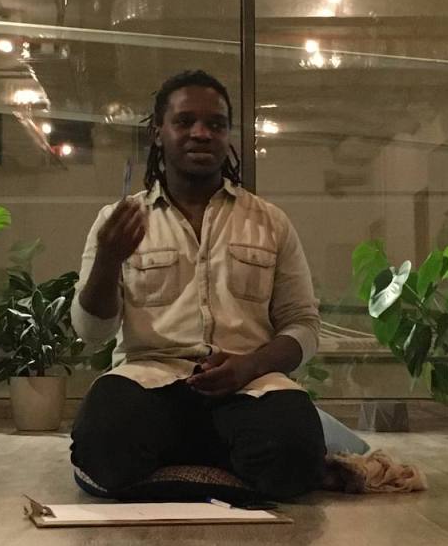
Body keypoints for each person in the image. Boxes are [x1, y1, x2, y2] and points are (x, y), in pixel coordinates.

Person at [70, 69, 327, 502]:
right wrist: (108, 260)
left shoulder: (270, 222)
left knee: (296, 458)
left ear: (228, 135)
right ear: (158, 132)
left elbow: (303, 325)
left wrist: (249, 366)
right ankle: (222, 459)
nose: (201, 133)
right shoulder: (117, 221)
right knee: (102, 448)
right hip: (148, 382)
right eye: (185, 121)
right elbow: (91, 332)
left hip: (248, 386)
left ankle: (183, 459)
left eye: (216, 124)